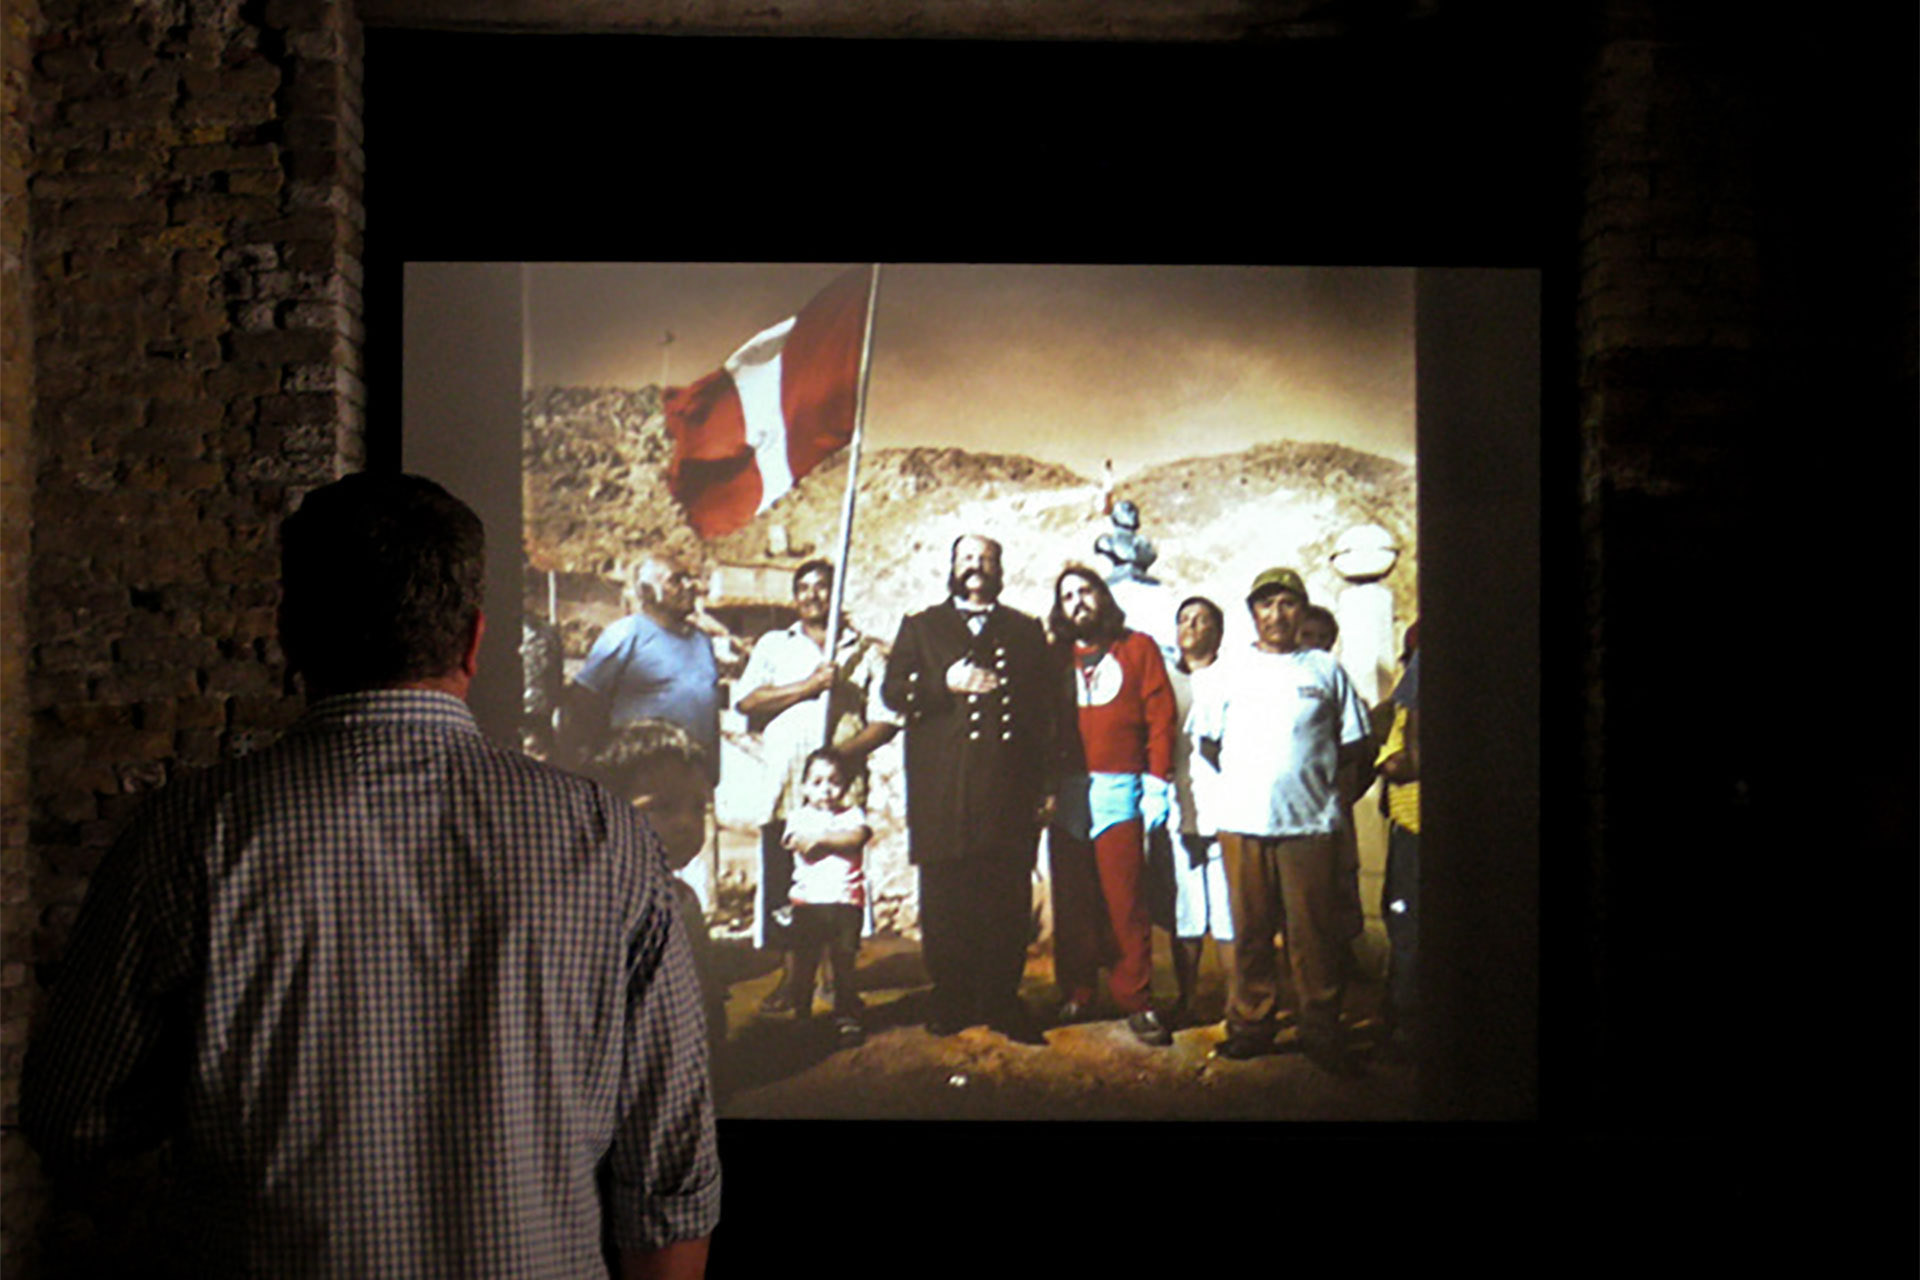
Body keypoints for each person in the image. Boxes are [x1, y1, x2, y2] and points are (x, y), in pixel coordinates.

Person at [20, 473, 718, 1278]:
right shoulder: (609, 840)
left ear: (289, 635)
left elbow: (71, 1116)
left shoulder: (190, 835)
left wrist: (220, 1078)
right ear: (475, 640)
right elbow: (667, 1180)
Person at [1190, 567, 1373, 1076]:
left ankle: (1321, 1029)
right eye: (1266, 605)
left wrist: (1331, 803)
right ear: (1253, 613)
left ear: (1301, 611)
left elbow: (1355, 748)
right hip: (1244, 824)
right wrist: (1229, 802)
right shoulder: (1227, 672)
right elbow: (1207, 743)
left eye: (1288, 604)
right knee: (1250, 932)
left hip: (1310, 828)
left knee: (1314, 935)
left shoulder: (1325, 670)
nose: (1277, 615)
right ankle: (1251, 1025)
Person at [882, 534, 1057, 1041]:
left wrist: (1046, 784)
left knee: (1005, 897)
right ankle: (951, 998)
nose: (976, 566)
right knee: (946, 899)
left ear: (999, 569)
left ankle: (1002, 1001)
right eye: (966, 558)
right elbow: (893, 691)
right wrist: (944, 684)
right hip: (942, 787)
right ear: (952, 566)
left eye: (986, 558)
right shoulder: (921, 626)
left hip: (1009, 788)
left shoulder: (1024, 630)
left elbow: (1044, 715)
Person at [732, 558, 899, 1011]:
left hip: (839, 798)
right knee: (791, 890)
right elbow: (747, 701)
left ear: (837, 593)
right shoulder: (773, 646)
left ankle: (837, 979)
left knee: (838, 886)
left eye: (822, 587)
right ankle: (791, 980)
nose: (812, 595)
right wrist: (808, 686)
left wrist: (836, 762)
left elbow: (886, 720)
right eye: (803, 588)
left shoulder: (863, 651)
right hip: (785, 790)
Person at [1046, 566, 1180, 1046]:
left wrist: (1156, 782)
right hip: (1066, 791)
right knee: (1073, 899)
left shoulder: (1138, 648)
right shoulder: (1053, 656)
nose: (1077, 601)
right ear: (1059, 608)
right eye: (1067, 596)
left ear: (1102, 596)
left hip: (1119, 787)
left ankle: (1137, 999)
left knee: (1125, 900)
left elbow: (1161, 717)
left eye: (1085, 591)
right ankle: (1078, 992)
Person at [592, 719, 728, 1068]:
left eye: (698, 808)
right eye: (661, 808)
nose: (687, 823)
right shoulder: (598, 907)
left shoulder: (683, 899)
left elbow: (705, 992)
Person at [561, 552, 721, 777]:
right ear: (646, 590)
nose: (689, 586)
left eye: (689, 578)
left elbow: (708, 708)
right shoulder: (627, 634)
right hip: (640, 772)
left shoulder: (702, 642)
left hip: (693, 773)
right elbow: (584, 698)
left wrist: (713, 769)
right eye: (676, 580)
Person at [1167, 595, 1235, 1025]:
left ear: (1219, 631)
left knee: (1229, 912)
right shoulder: (1164, 681)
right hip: (1178, 807)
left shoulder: (1233, 679)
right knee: (1186, 912)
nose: (1193, 626)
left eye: (1203, 619)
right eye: (1185, 619)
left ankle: (1238, 1003)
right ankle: (1185, 999)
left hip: (1227, 806)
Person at [780, 748, 875, 1046]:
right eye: (817, 782)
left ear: (845, 786)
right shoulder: (798, 817)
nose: (826, 789)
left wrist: (821, 838)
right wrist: (830, 841)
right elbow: (798, 844)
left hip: (846, 901)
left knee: (844, 962)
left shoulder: (853, 815)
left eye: (834, 781)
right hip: (809, 904)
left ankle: (846, 1015)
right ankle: (802, 1015)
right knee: (805, 962)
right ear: (805, 786)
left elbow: (857, 837)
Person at [1295, 602, 1369, 953]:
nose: (1315, 644)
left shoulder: (1337, 685)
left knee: (1338, 884)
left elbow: (1360, 747)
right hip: (1289, 809)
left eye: (1323, 639)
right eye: (1307, 635)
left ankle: (1344, 959)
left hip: (1331, 803)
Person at [1376, 626, 1421, 1059]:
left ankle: (1406, 1022)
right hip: (1407, 822)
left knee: (1408, 925)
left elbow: (1406, 760)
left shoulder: (1418, 679)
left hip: (1416, 826)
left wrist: (1397, 762)